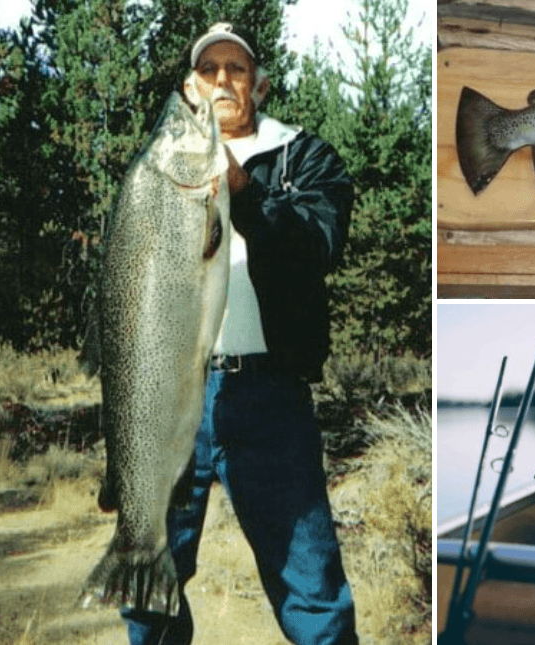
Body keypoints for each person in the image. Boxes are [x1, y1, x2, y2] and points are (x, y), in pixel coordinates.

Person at [121, 22, 358, 645]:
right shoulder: (158, 170)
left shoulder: (304, 156)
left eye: (237, 69)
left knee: (313, 596)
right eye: (209, 70)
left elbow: (317, 246)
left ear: (259, 83)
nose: (223, 79)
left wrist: (241, 190)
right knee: (148, 593)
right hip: (171, 397)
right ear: (190, 88)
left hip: (270, 399)